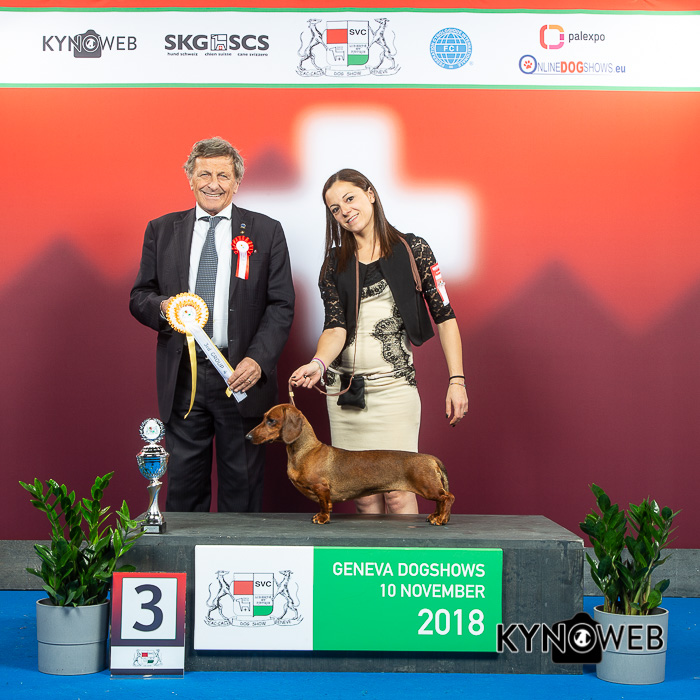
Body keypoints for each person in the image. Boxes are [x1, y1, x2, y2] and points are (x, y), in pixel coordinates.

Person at [130, 137, 295, 513]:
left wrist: (258, 360)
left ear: (237, 181)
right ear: (190, 178)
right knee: (184, 489)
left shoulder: (266, 231)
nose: (214, 183)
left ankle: (239, 553)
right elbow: (140, 297)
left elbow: (281, 304)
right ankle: (186, 553)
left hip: (241, 376)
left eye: (223, 175)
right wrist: (165, 308)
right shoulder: (161, 230)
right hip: (183, 376)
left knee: (242, 489)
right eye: (204, 174)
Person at [291, 168, 467, 516]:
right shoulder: (333, 263)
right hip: (345, 395)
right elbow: (335, 328)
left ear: (370, 194)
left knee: (398, 492)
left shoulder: (414, 249)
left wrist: (457, 380)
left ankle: (407, 553)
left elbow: (445, 316)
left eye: (350, 198)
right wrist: (318, 363)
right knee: (364, 496)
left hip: (394, 391)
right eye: (335, 208)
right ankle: (370, 556)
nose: (345, 211)